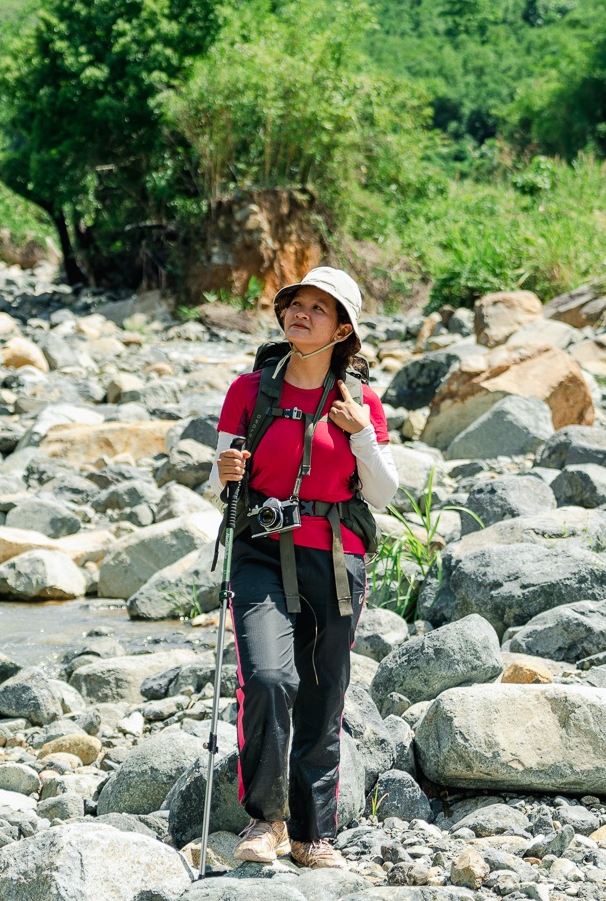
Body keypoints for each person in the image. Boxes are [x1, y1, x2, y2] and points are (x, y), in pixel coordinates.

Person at [213, 265, 399, 869]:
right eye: (296, 303)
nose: (302, 313)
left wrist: (361, 435)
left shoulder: (359, 401)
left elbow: (384, 492)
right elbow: (223, 475)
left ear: (343, 329)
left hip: (338, 561)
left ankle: (314, 832)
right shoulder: (249, 391)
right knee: (269, 678)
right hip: (262, 554)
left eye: (319, 308)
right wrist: (225, 474)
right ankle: (265, 821)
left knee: (324, 693)